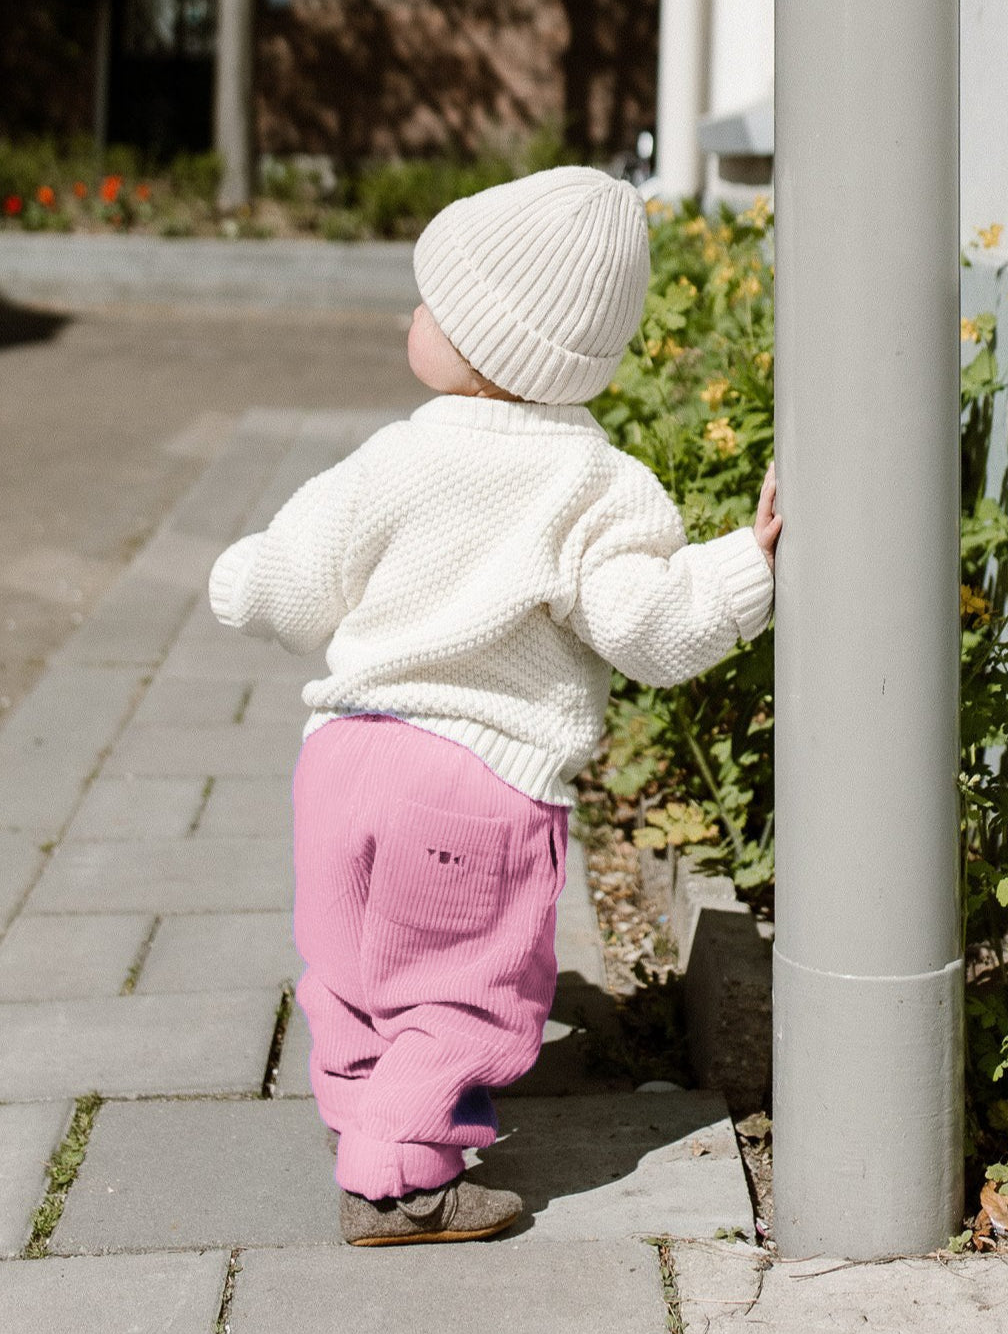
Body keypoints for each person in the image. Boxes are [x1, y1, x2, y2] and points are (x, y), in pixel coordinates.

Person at [209, 166, 782, 1246]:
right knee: (463, 986)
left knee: (348, 966)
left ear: (487, 342)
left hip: (340, 762)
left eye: (433, 304)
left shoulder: (394, 456)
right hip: (476, 781)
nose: (409, 314)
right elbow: (650, 630)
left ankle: (367, 1124)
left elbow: (292, 576)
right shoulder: (596, 485)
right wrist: (745, 568)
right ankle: (403, 1177)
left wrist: (238, 576)